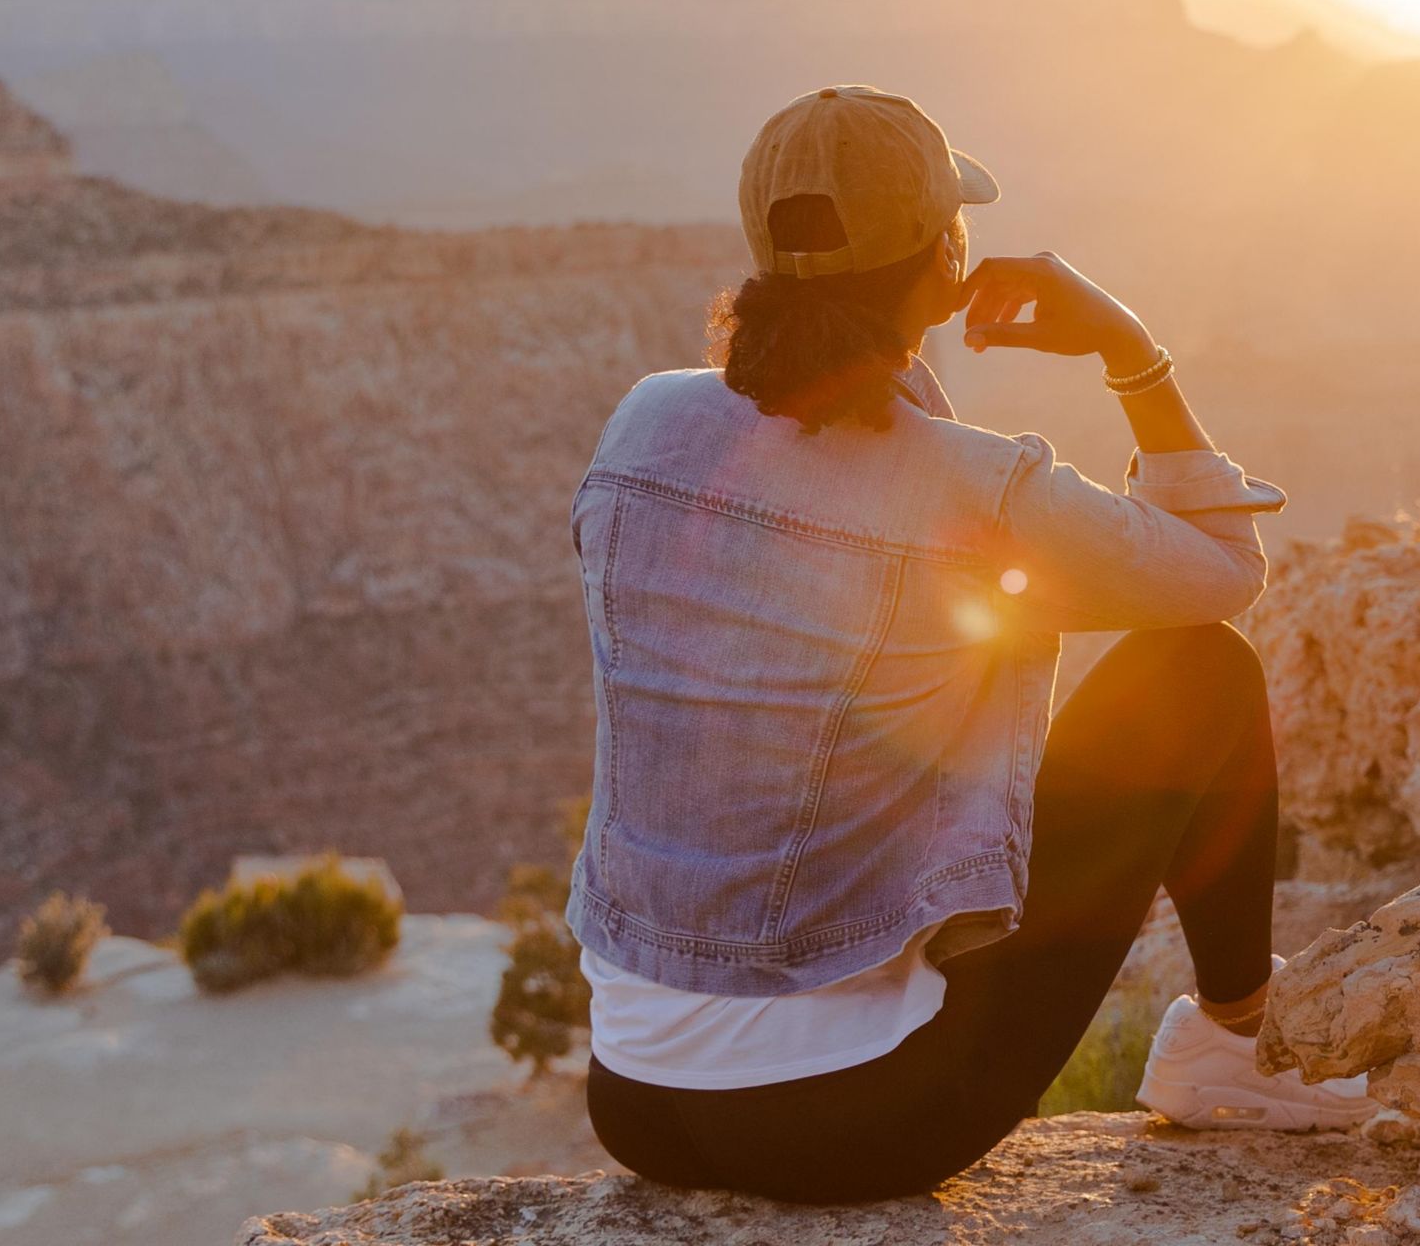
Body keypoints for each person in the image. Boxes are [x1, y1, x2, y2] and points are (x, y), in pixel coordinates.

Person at [568, 84, 1370, 1204]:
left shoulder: (643, 420)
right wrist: (1128, 348)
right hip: (861, 1114)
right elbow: (1220, 574)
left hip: (633, 1098)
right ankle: (1236, 1040)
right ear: (947, 255)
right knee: (1200, 673)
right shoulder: (976, 485)